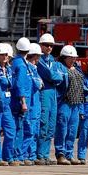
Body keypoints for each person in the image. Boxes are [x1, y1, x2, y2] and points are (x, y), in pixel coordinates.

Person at [54, 45, 84, 165]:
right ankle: (60, 154)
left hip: (76, 104)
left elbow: (82, 87)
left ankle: (69, 154)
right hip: (65, 103)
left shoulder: (77, 68)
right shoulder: (59, 67)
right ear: (64, 57)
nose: (73, 60)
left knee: (72, 130)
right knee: (62, 129)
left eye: (74, 57)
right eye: (70, 57)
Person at [36, 33, 62, 165]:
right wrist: (55, 77)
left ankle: (45, 155)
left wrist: (55, 77)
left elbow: (60, 77)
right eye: (46, 45)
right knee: (43, 123)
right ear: (41, 45)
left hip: (53, 93)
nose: (49, 47)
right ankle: (39, 154)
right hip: (44, 93)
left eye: (51, 45)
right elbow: (51, 75)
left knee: (51, 126)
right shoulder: (39, 60)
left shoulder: (52, 60)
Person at [0, 43, 16, 166]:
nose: (5, 56)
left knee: (11, 130)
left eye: (6, 54)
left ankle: (8, 156)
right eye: (2, 54)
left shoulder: (9, 69)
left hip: (7, 105)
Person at [10, 37, 33, 165]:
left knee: (17, 128)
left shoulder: (15, 62)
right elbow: (20, 84)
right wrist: (23, 102)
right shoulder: (22, 65)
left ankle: (16, 155)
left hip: (15, 100)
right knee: (19, 128)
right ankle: (17, 156)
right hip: (20, 101)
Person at [25, 43, 43, 165]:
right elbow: (38, 84)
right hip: (31, 105)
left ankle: (32, 155)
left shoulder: (34, 69)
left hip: (36, 105)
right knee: (30, 131)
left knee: (35, 131)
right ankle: (27, 155)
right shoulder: (29, 69)